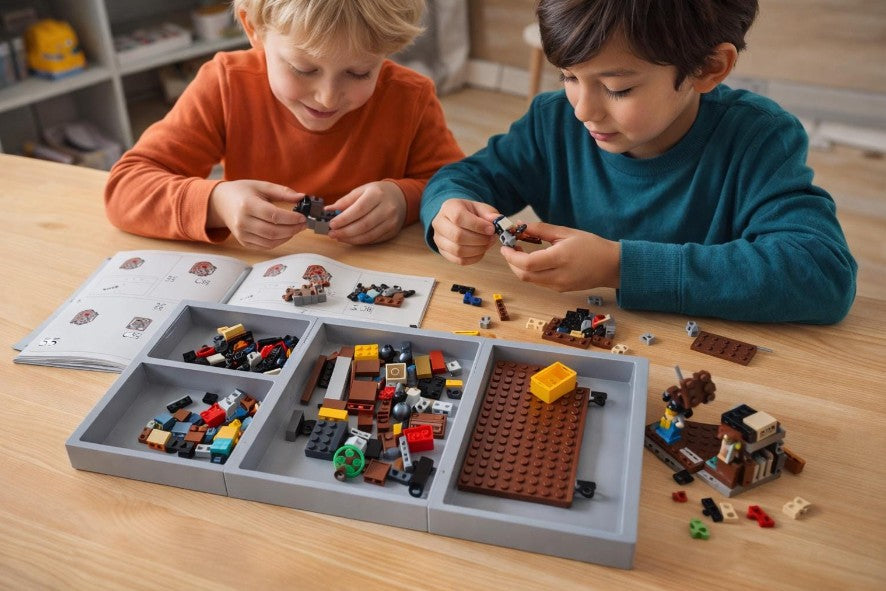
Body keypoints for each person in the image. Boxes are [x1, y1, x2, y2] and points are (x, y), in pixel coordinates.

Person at [421, 0, 856, 323]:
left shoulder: (760, 138)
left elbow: (821, 272)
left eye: (617, 88)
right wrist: (449, 208)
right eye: (569, 77)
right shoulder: (552, 122)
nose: (582, 110)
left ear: (708, 68)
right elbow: (464, 177)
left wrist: (618, 266)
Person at [105, 0, 463, 248]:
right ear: (253, 29)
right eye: (303, 69)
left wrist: (405, 200)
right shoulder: (226, 84)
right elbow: (125, 188)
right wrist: (216, 203)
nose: (327, 97)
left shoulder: (410, 97)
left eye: (359, 72)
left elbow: (457, 189)